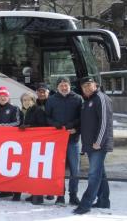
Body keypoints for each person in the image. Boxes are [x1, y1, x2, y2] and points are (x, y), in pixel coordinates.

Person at [73, 77, 113, 215]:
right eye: (84, 86)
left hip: (98, 145)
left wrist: (99, 142)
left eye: (89, 85)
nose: (87, 88)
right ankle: (103, 201)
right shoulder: (88, 101)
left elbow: (104, 122)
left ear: (95, 85)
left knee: (94, 174)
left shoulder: (101, 98)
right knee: (100, 173)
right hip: (90, 145)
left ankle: (85, 204)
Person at [46, 77, 82, 205]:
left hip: (73, 139)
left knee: (75, 169)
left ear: (69, 86)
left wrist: (75, 128)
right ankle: (59, 195)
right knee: (58, 170)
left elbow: (81, 117)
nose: (64, 87)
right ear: (57, 87)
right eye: (61, 85)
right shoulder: (51, 100)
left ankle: (73, 195)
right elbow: (47, 118)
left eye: (66, 85)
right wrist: (56, 125)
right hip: (57, 140)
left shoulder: (77, 99)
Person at [0, 86, 21, 200]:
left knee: (11, 165)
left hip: (12, 142)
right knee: (0, 165)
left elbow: (17, 122)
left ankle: (15, 190)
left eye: (5, 96)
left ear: (8, 97)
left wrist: (3, 127)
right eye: (1, 96)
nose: (3, 98)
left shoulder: (14, 109)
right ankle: (4, 189)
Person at [19, 92, 47, 205]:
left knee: (37, 170)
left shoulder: (38, 110)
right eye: (24, 100)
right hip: (30, 144)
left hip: (38, 144)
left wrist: (29, 127)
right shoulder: (25, 112)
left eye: (28, 100)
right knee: (31, 170)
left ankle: (38, 196)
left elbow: (43, 125)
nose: (26, 102)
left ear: (33, 100)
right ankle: (33, 193)